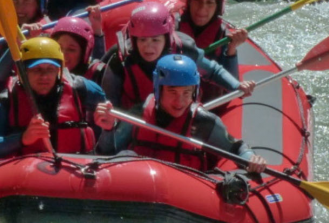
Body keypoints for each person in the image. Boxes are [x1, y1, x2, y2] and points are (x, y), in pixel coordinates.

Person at [94, 54, 266, 173]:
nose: (180, 101)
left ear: (195, 91)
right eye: (172, 92)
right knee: (126, 156)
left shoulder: (202, 122)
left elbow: (237, 148)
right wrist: (108, 130)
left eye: (186, 93)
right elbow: (107, 154)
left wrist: (251, 158)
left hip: (184, 197)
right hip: (141, 188)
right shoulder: (139, 114)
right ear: (158, 90)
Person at [99, 2, 255, 111]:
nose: (148, 46)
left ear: (166, 38)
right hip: (137, 120)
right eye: (142, 40)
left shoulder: (184, 49)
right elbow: (110, 102)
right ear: (134, 39)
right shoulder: (120, 60)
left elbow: (213, 71)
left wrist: (236, 85)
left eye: (155, 40)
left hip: (181, 115)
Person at [0, 37, 106, 158]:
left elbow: (113, 132)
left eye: (50, 69)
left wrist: (110, 127)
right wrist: (22, 139)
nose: (45, 76)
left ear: (59, 71)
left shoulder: (82, 89)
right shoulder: (7, 99)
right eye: (37, 70)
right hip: (26, 175)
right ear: (23, 72)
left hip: (77, 172)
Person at [176, 0, 248, 100]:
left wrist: (231, 50)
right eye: (197, 0)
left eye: (209, 2)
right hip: (175, 100)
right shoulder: (173, 28)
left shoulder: (223, 35)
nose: (202, 9)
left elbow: (232, 92)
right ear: (189, 1)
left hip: (208, 104)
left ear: (218, 5)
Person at [49, 9, 105, 80]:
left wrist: (97, 30)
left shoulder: (96, 74)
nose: (63, 54)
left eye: (71, 49)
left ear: (83, 53)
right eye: (59, 48)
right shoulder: (45, 73)